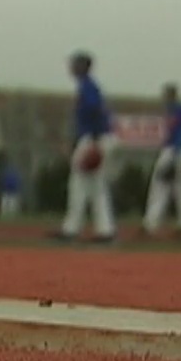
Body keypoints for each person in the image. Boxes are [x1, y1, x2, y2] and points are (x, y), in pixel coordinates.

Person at [50, 51, 117, 244]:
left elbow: (96, 111)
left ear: (82, 67)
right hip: (97, 138)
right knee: (97, 187)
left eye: (74, 64)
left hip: (96, 138)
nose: (70, 67)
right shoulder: (88, 86)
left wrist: (94, 141)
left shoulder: (87, 86)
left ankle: (72, 229)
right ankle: (105, 230)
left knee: (79, 184)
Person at [139, 83, 181, 240]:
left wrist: (173, 156)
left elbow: (180, 133)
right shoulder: (175, 110)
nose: (164, 98)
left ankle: (151, 225)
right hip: (180, 151)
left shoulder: (178, 110)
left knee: (160, 188)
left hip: (175, 151)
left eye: (166, 94)